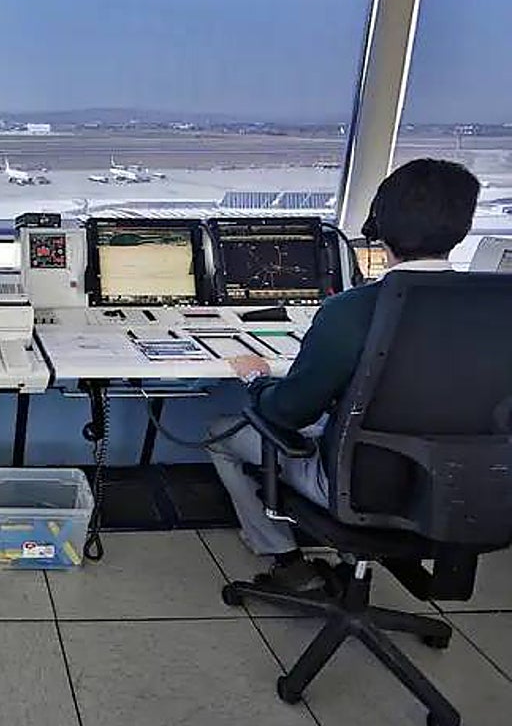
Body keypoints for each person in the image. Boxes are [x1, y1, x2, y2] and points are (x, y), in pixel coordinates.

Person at [206, 158, 481, 591]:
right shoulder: (495, 308)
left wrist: (258, 381)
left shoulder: (351, 311)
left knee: (221, 434)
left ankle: (284, 558)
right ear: (463, 226)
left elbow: (287, 414)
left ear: (378, 225)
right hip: (465, 488)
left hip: (360, 487)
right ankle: (358, 558)